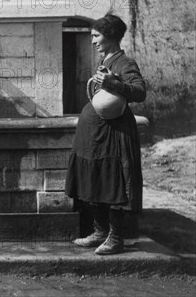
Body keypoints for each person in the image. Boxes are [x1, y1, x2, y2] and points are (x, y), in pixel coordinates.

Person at [65, 14, 146, 255]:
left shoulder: (124, 63)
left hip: (114, 133)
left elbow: (139, 92)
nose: (92, 41)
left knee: (113, 181)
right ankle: (100, 232)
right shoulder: (107, 61)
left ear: (110, 36)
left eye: (96, 36)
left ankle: (115, 238)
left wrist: (114, 83)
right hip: (96, 133)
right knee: (96, 178)